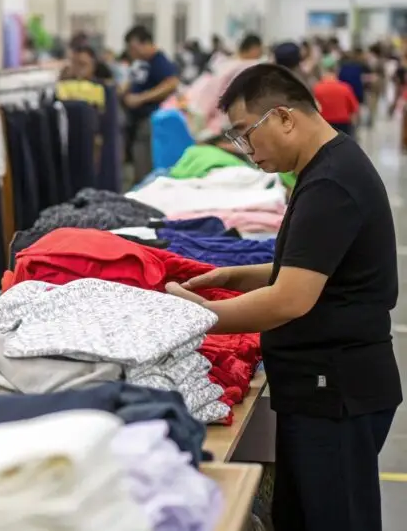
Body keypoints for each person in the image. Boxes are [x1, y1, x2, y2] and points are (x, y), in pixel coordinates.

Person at [167, 63, 400, 531]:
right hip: (325, 387)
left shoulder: (330, 184)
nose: (246, 150)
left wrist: (204, 316)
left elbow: (290, 299)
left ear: (283, 118)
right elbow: (311, 268)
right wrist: (235, 276)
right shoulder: (327, 168)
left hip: (335, 390)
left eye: (245, 134)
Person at [122, 26, 179, 183]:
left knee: (145, 164)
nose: (132, 52)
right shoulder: (141, 63)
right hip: (136, 121)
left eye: (134, 48)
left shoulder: (159, 61)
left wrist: (141, 98)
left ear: (146, 43)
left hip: (149, 119)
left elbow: (171, 83)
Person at [313, 56, 360, 137]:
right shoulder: (345, 88)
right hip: (343, 127)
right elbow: (354, 110)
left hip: (324, 126)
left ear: (322, 70)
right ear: (336, 70)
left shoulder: (316, 89)